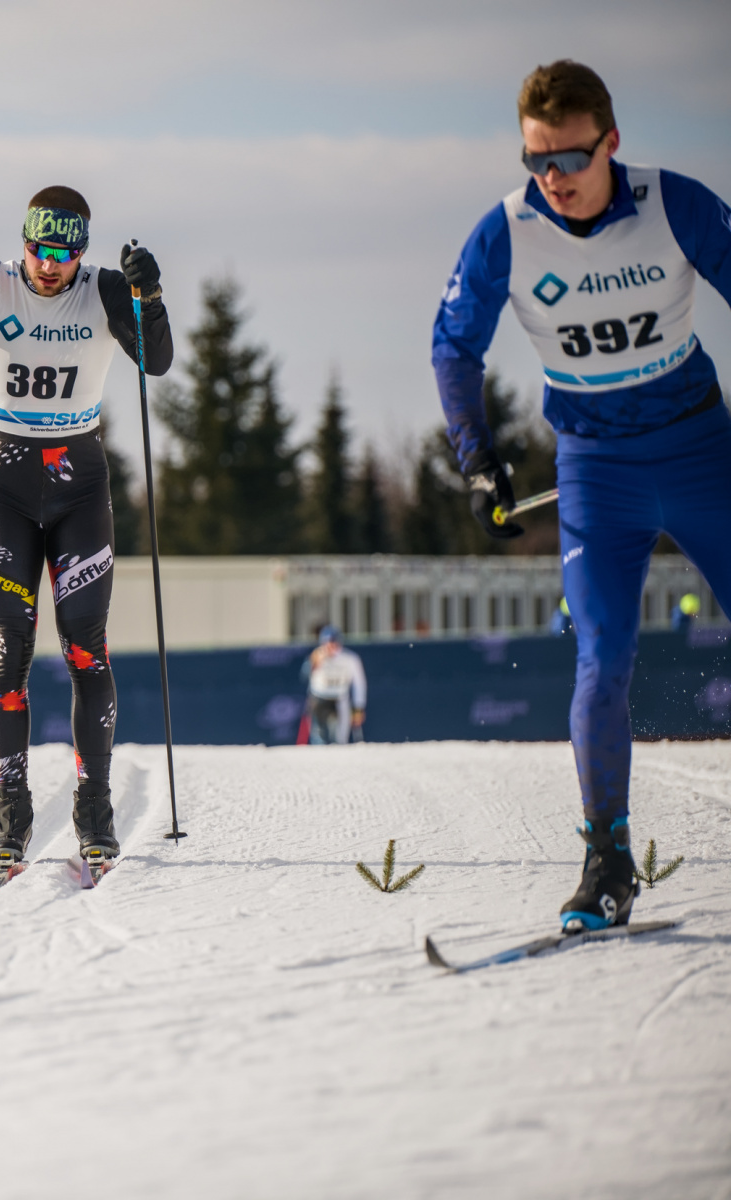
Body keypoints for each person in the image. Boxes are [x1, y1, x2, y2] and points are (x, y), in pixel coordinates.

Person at [431, 60, 731, 933]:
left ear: (611, 143)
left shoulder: (674, 203)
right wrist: (478, 459)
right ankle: (607, 863)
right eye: (536, 160)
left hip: (700, 452)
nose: (553, 178)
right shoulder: (508, 231)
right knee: (601, 658)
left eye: (569, 158)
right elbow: (454, 345)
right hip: (597, 470)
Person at [0, 184, 173, 873]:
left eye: (65, 254)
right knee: (8, 655)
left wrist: (150, 297)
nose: (51, 265)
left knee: (88, 652)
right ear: (24, 242)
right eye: (40, 250)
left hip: (79, 486)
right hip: (5, 483)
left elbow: (156, 361)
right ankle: (11, 816)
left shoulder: (106, 289)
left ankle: (95, 811)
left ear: (82, 251)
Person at [300, 626, 366, 745]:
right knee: (319, 737)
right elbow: (304, 676)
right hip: (319, 698)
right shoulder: (317, 655)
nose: (330, 647)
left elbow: (359, 683)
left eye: (333, 642)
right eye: (327, 643)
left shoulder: (349, 658)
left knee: (339, 737)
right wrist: (313, 664)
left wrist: (358, 706)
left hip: (339, 699)